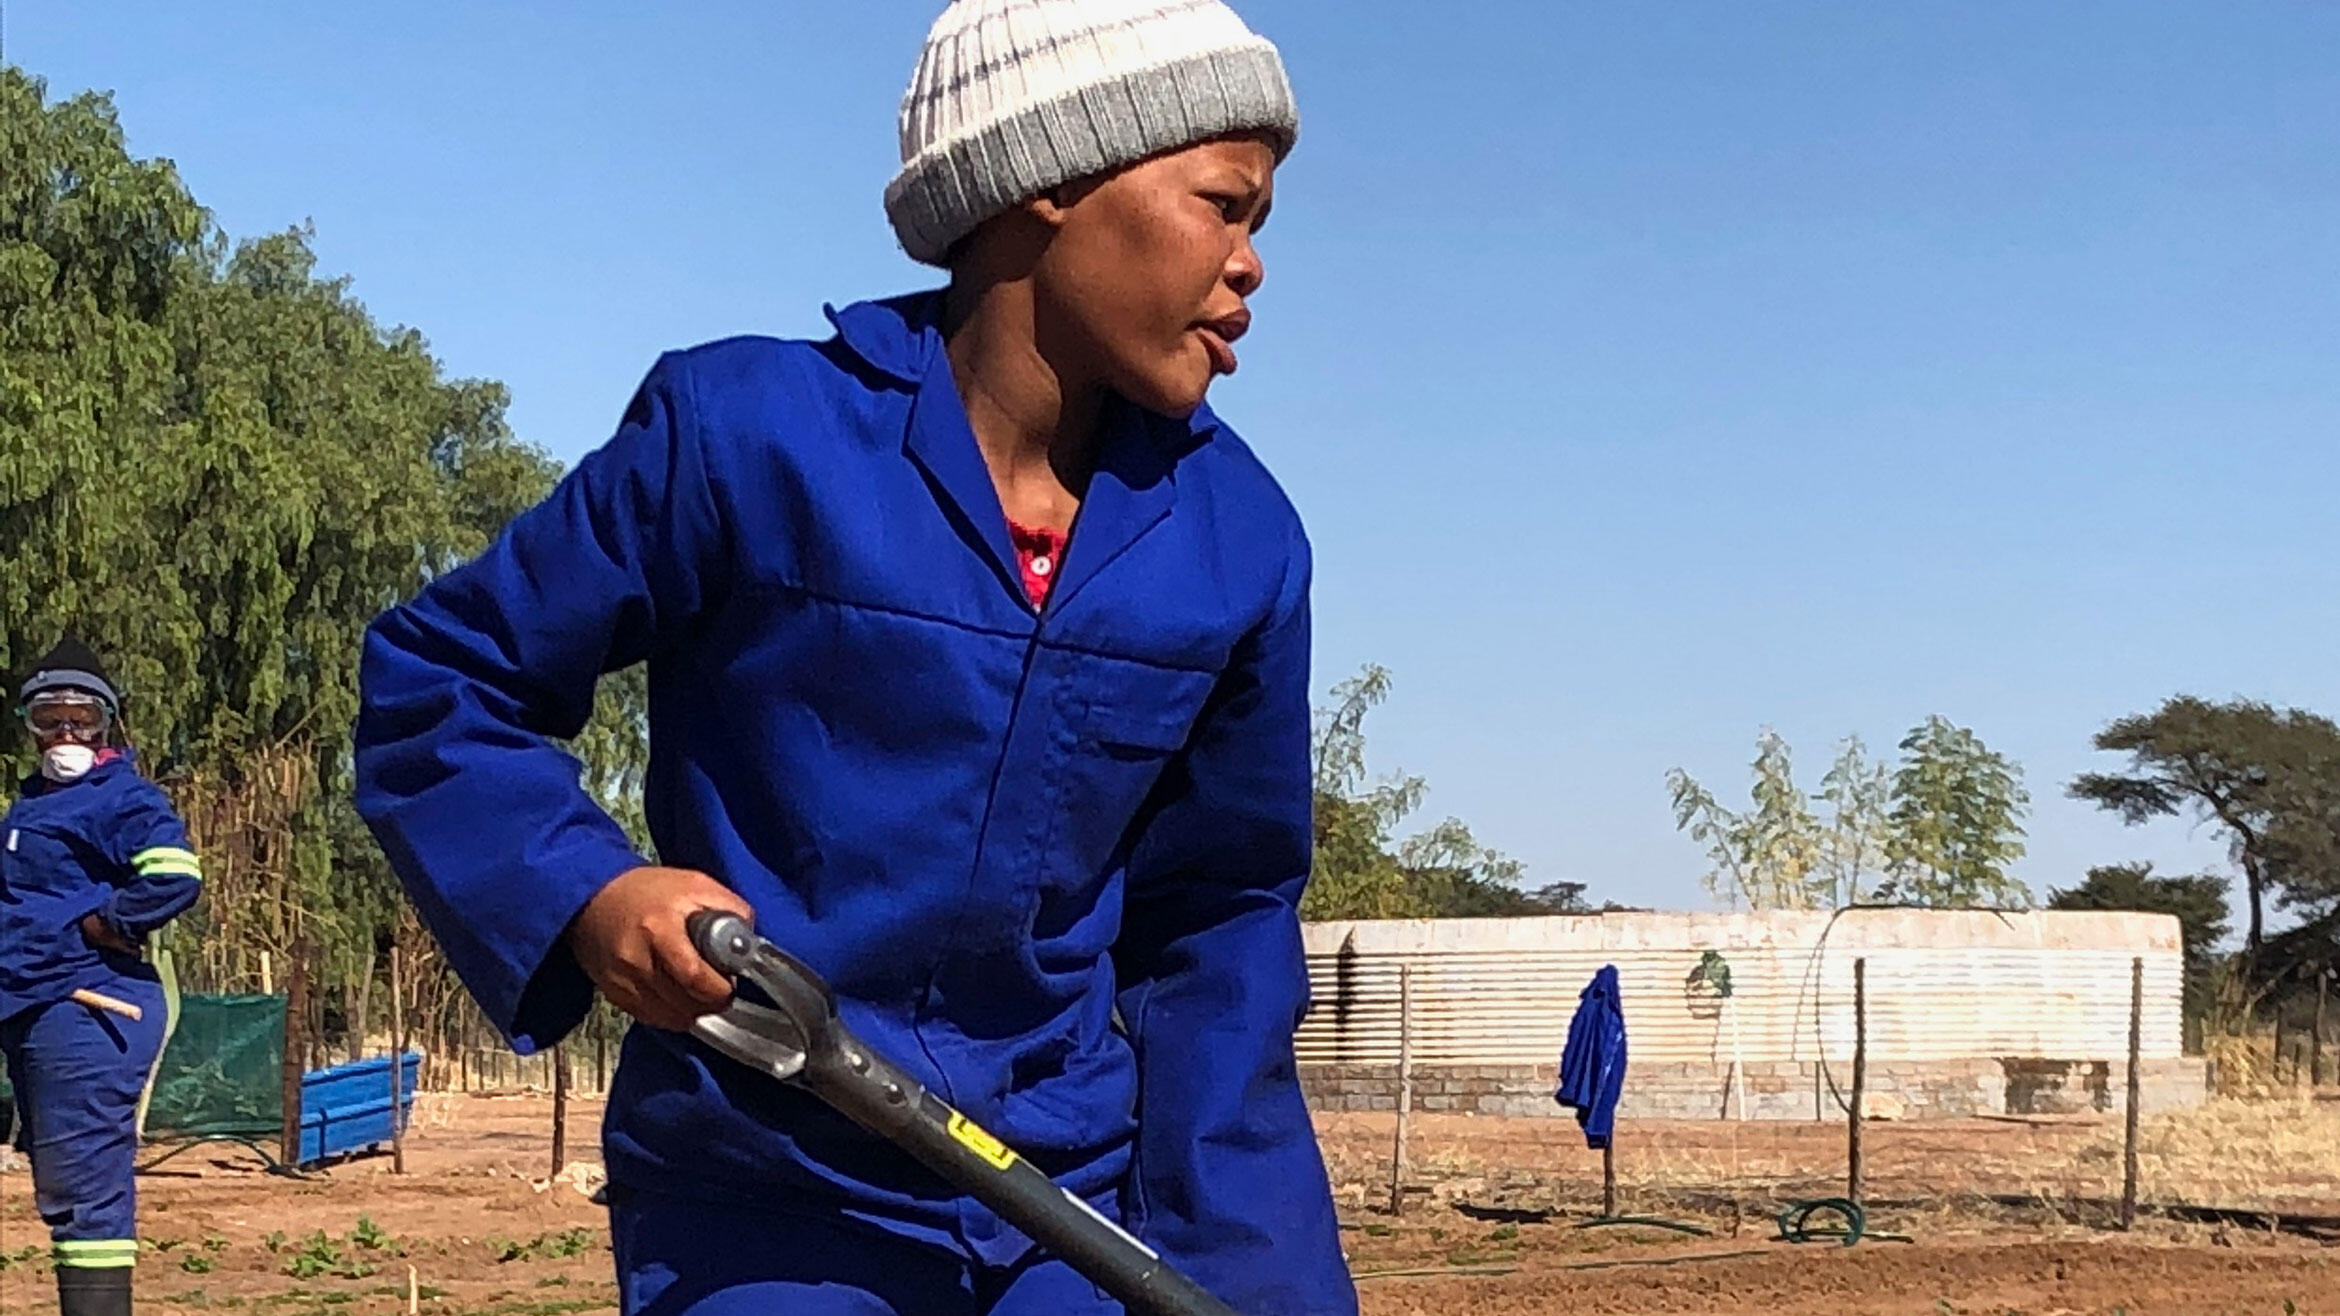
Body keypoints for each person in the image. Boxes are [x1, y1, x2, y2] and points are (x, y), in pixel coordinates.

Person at [354, 1, 1353, 1312]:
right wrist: (592, 897)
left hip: (1063, 1201)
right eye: (1225, 205)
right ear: (1049, 177)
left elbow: (1217, 924)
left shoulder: (1238, 543)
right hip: (764, 1197)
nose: (1252, 264)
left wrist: (1263, 1279)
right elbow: (443, 679)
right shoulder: (750, 439)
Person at [1, 638, 203, 1316]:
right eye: (49, 718)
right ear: (29, 726)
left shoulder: (120, 798)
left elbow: (176, 875)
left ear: (106, 725)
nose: (65, 734)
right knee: (63, 1189)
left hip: (87, 1007)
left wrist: (108, 924)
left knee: (87, 1190)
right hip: (34, 1003)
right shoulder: (32, 806)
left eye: (81, 719)